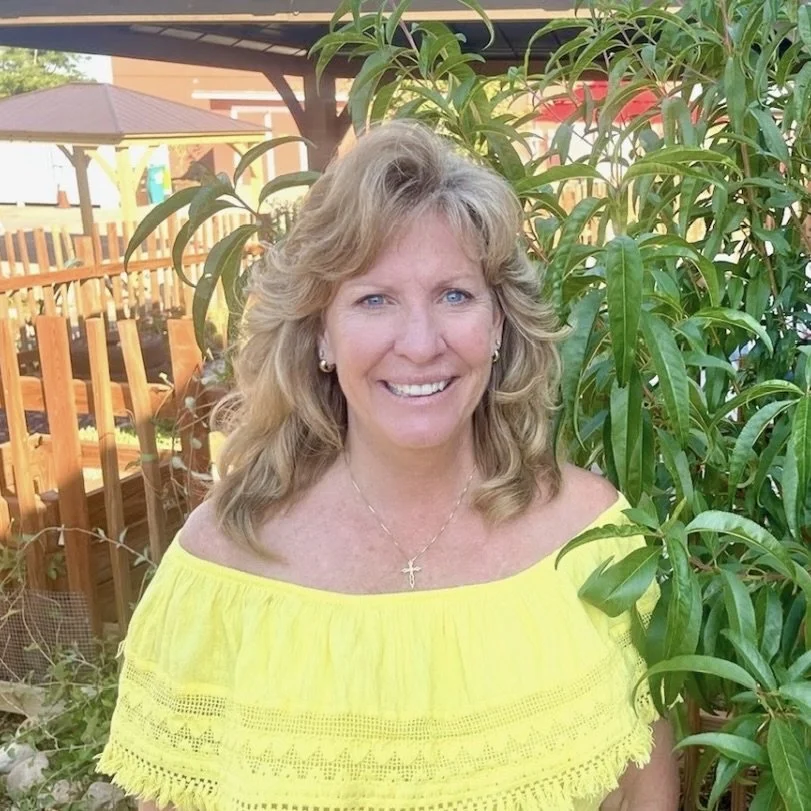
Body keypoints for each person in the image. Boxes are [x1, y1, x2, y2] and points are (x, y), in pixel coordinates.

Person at [98, 121, 680, 811]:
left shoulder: (596, 545)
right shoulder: (221, 567)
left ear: (497, 325)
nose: (420, 342)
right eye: (374, 299)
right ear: (320, 331)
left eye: (454, 295)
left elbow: (647, 793)